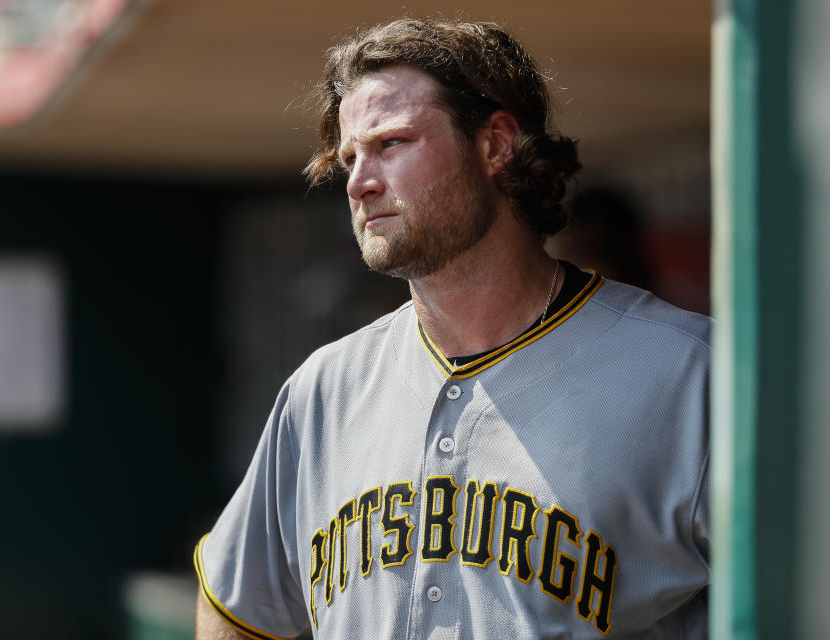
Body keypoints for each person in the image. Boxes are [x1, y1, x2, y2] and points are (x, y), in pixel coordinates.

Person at [194, 18, 709, 639]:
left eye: (392, 144)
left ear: (495, 145)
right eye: (351, 157)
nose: (359, 182)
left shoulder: (687, 373)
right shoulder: (323, 390)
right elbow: (235, 608)